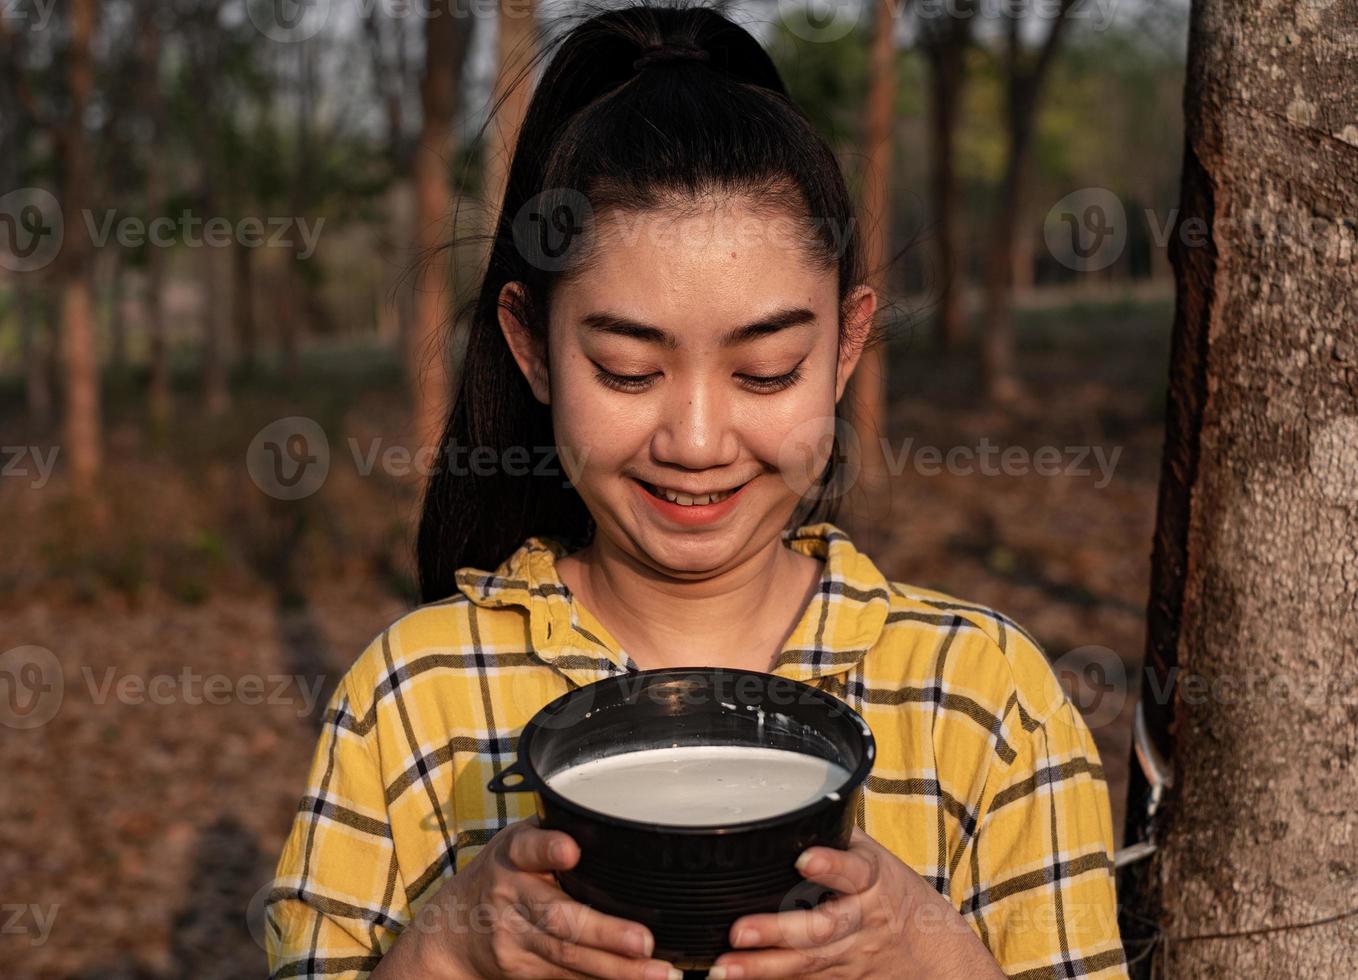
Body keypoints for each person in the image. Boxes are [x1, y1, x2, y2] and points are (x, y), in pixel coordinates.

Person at [265, 2, 1128, 978]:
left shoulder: (985, 704)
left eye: (766, 371)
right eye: (628, 371)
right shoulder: (411, 704)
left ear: (844, 347)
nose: (698, 441)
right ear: (531, 346)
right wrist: (450, 941)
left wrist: (921, 944)